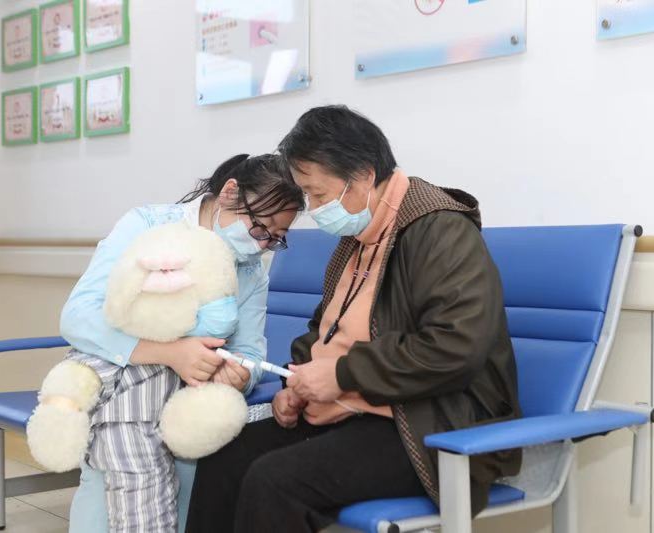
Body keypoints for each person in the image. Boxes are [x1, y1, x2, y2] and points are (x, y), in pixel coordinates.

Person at [186, 106, 522, 533]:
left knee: (275, 482)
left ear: (363, 175)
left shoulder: (441, 231)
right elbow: (325, 331)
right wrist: (298, 384)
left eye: (318, 194)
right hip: (351, 409)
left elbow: (456, 346)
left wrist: (341, 375)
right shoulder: (357, 236)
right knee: (225, 456)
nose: (315, 209)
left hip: (426, 423)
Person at [63, 153, 304, 532]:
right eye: (261, 227)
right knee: (106, 508)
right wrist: (171, 354)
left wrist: (239, 375)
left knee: (181, 510)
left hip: (189, 415)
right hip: (124, 405)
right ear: (230, 193)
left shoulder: (252, 270)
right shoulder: (149, 226)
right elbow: (78, 316)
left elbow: (249, 352)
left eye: (277, 238)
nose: (262, 246)